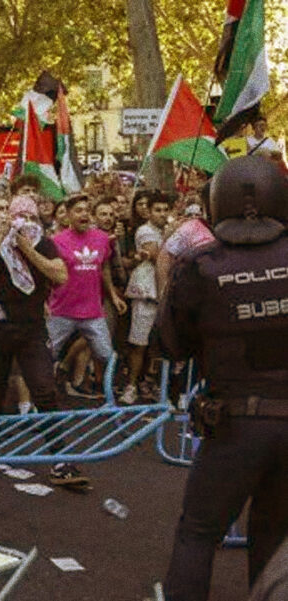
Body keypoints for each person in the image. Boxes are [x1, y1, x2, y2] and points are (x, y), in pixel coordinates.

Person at [160, 156, 288, 600]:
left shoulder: (201, 265)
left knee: (198, 532)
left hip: (235, 426)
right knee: (275, 534)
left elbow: (170, 345)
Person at [0, 195, 88, 487]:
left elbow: (60, 275)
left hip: (32, 329)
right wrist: (0, 239)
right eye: (18, 217)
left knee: (45, 390)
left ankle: (60, 458)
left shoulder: (43, 243)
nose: (24, 223)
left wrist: (27, 249)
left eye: (30, 217)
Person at [45, 194, 127, 394]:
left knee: (108, 356)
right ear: (68, 215)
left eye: (87, 211)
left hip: (92, 311)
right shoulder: (56, 241)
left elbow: (104, 267)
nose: (84, 215)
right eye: (78, 210)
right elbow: (47, 273)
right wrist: (44, 302)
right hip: (62, 310)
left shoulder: (101, 239)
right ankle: (41, 398)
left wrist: (113, 296)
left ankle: (109, 399)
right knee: (45, 354)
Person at [121, 192, 169, 404]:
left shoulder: (166, 231)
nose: (162, 214)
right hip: (145, 293)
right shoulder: (145, 231)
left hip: (164, 295)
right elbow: (158, 256)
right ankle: (131, 386)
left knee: (158, 344)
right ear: (148, 212)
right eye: (157, 210)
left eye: (165, 210)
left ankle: (149, 382)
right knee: (139, 342)